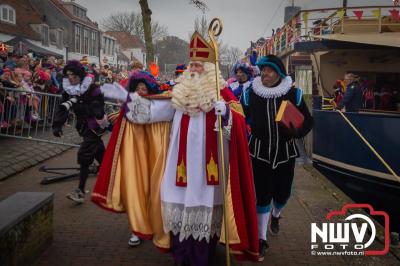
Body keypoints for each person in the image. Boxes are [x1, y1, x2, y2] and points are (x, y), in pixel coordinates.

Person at [161, 32, 258, 265]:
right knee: (178, 205)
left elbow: (241, 127)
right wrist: (131, 102)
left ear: (210, 68)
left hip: (208, 171)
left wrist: (225, 113)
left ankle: (200, 256)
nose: (193, 69)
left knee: (205, 213)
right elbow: (159, 111)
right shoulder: (180, 92)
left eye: (199, 65)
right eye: (192, 65)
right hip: (180, 167)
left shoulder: (223, 94)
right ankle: (180, 254)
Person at [241, 55, 313, 261]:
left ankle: (277, 214)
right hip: (259, 152)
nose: (264, 73)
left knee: (282, 194)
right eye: (262, 70)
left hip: (285, 153)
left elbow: (308, 121)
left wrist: (296, 131)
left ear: (279, 73)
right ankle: (261, 239)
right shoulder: (249, 94)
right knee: (262, 195)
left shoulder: (294, 94)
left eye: (269, 70)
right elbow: (238, 117)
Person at [92, 71, 174, 250]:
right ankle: (137, 229)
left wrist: (127, 98)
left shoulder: (161, 103)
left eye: (145, 88)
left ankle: (158, 227)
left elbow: (150, 113)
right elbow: (123, 123)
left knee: (158, 190)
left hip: (157, 156)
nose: (141, 91)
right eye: (138, 88)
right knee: (136, 188)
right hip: (137, 157)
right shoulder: (129, 108)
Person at [52, 60, 107, 204]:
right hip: (83, 126)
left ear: (80, 75)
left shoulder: (93, 88)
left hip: (95, 126)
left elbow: (100, 108)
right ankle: (116, 178)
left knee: (84, 155)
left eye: (74, 75)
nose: (71, 78)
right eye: (68, 75)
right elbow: (62, 108)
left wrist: (92, 107)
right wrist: (57, 125)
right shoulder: (69, 90)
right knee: (102, 156)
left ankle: (80, 191)